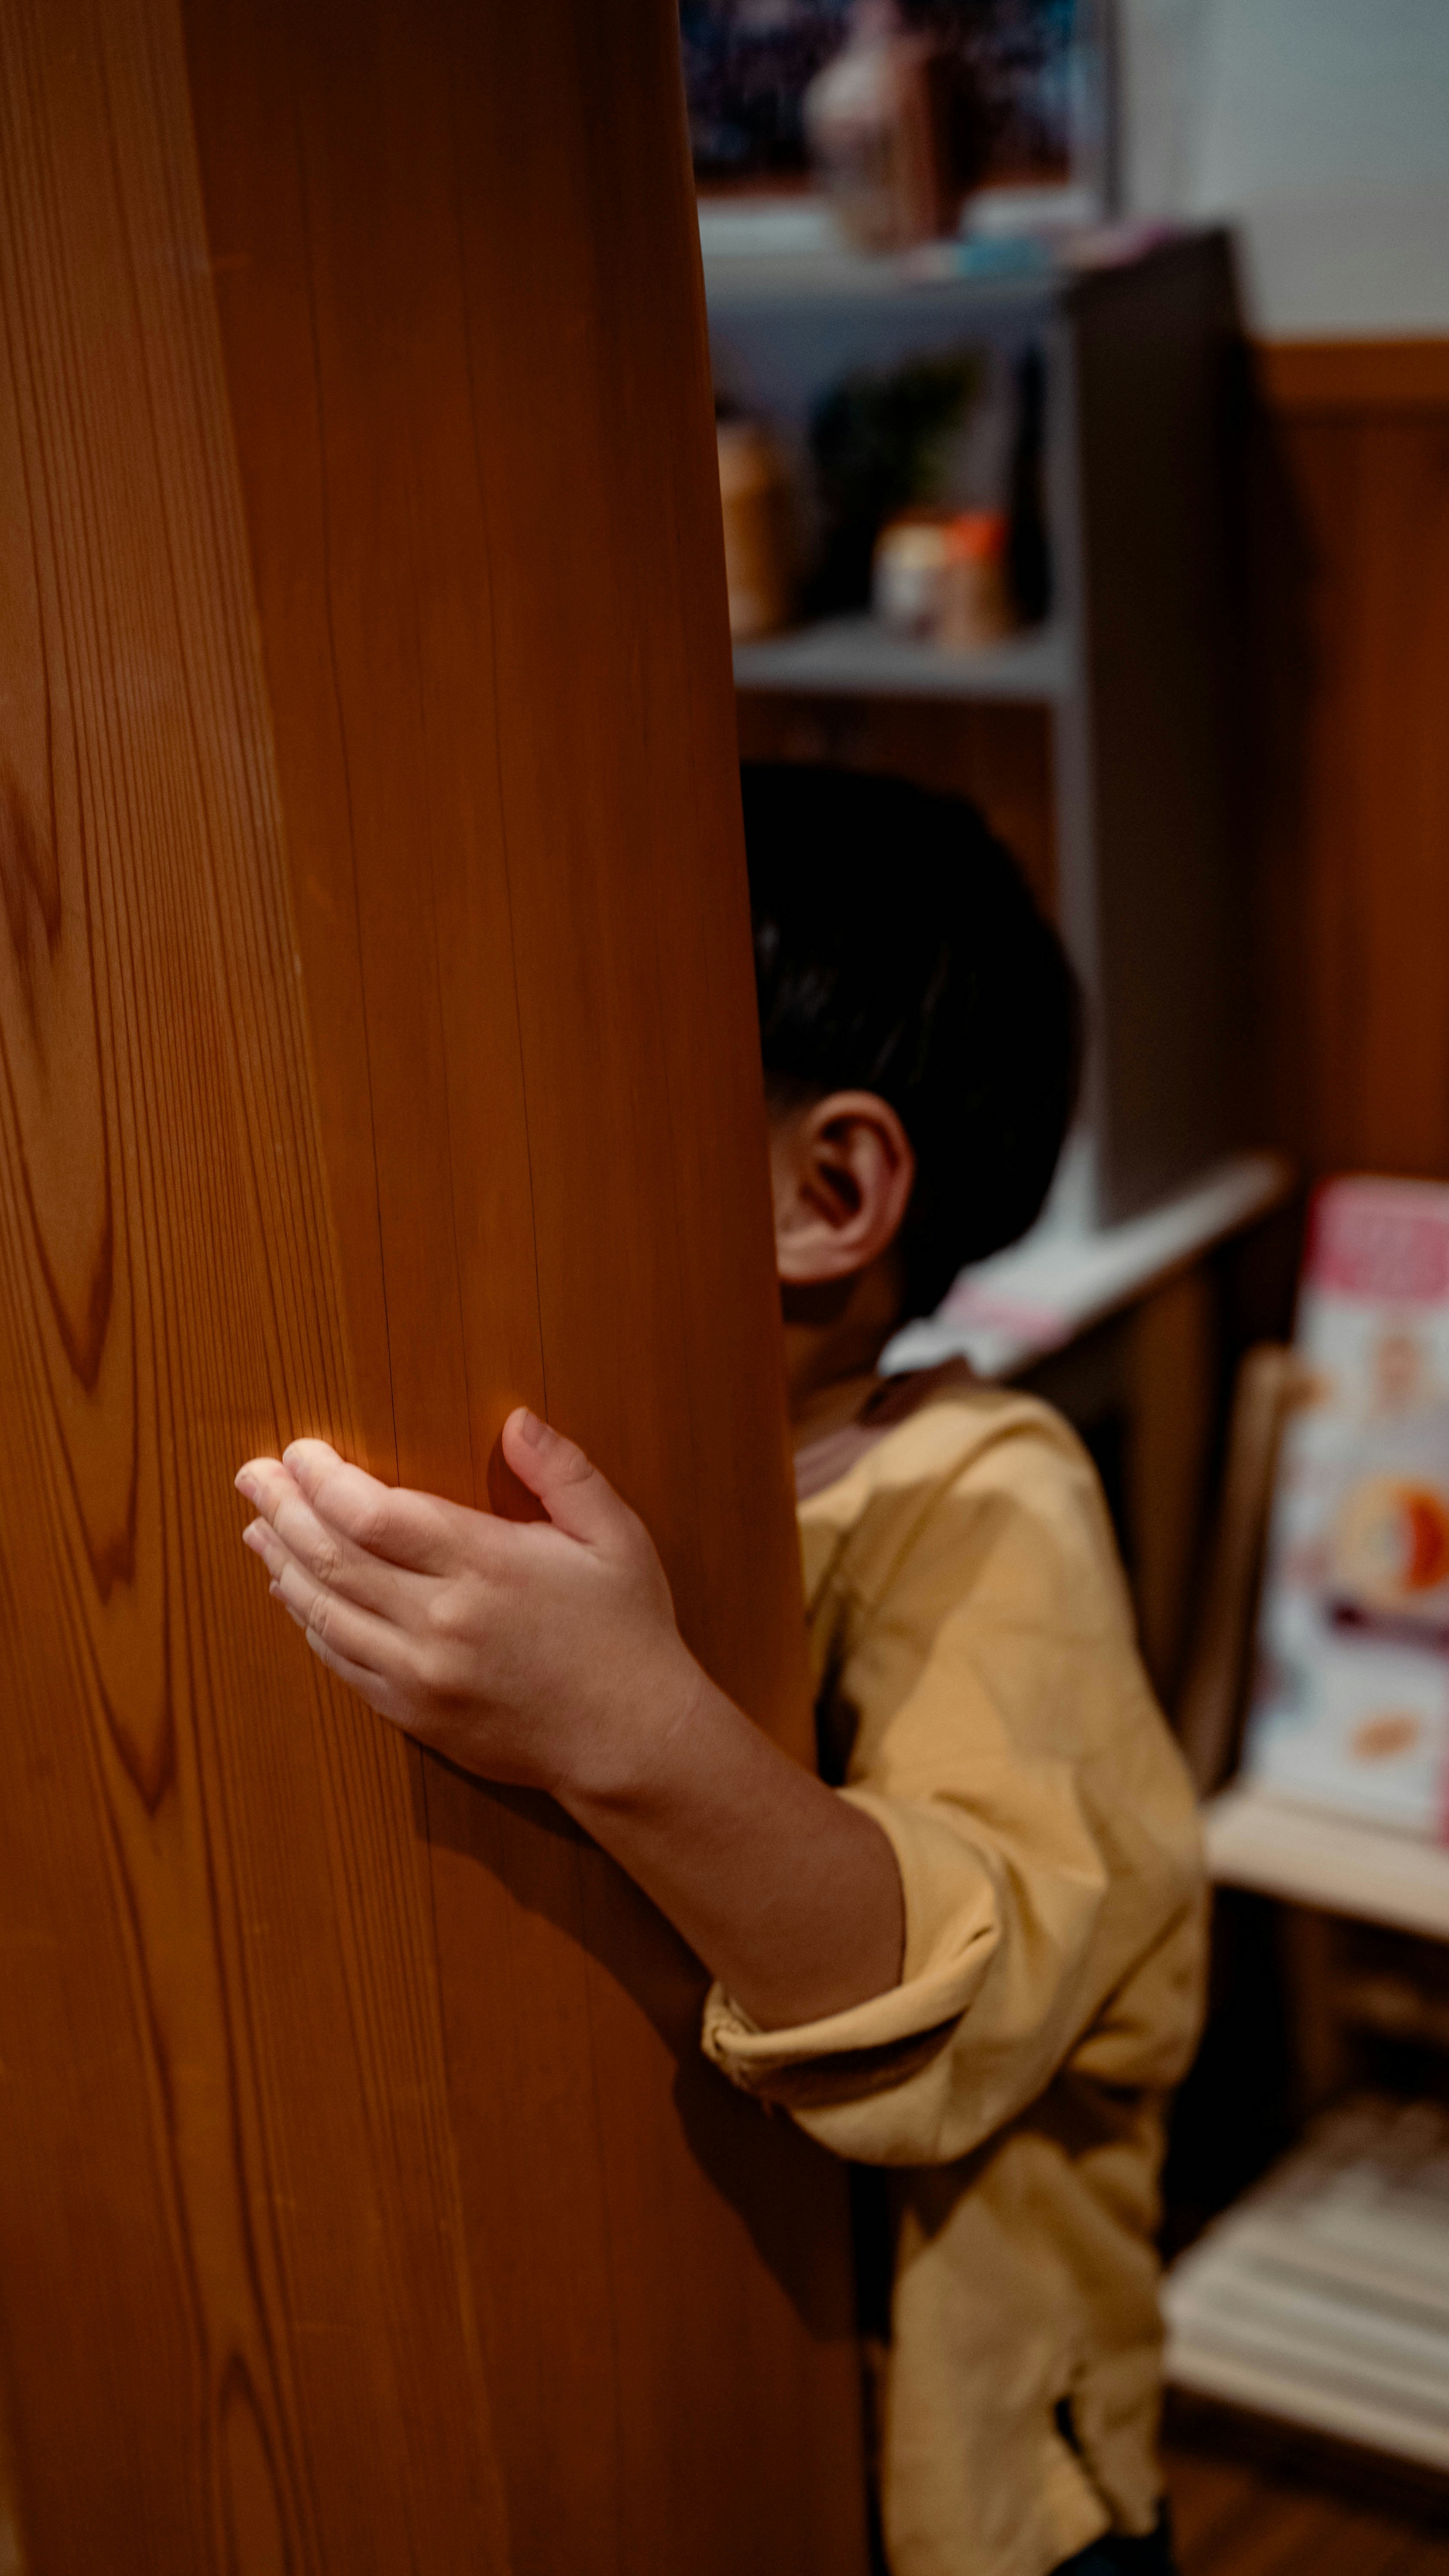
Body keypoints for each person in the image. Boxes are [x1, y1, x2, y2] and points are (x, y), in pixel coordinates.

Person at [234, 764, 1206, 2576]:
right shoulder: (679, 1470)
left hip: (989, 2504)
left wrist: (628, 1721)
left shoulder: (984, 1497)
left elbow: (951, 2001)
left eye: (583, 1101)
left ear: (831, 1185)